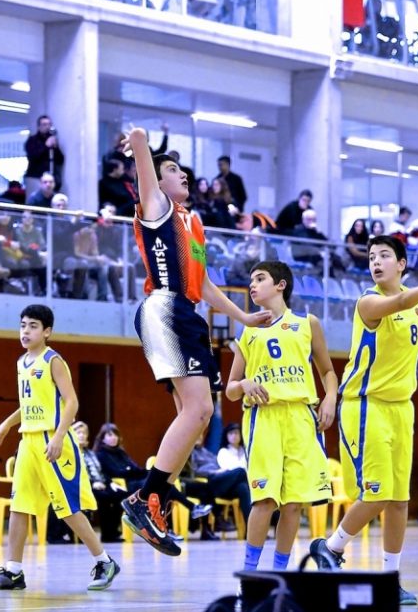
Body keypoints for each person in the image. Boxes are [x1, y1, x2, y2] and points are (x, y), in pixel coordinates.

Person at [120, 127, 271, 556]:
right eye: (172, 169)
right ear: (157, 181)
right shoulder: (156, 207)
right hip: (164, 307)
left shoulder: (193, 223)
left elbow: (202, 284)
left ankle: (155, 502)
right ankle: (145, 499)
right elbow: (144, 161)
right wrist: (140, 141)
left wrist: (243, 316)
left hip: (188, 313)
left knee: (197, 420)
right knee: (200, 409)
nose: (182, 174)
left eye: (182, 170)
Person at [310, 236, 418, 606]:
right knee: (376, 494)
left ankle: (391, 579)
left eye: (384, 256)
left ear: (401, 264)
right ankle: (331, 547)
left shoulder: (416, 299)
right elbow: (402, 302)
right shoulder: (368, 301)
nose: (375, 262)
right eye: (372, 257)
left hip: (401, 408)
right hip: (366, 406)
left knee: (399, 501)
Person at [0, 305, 120, 592]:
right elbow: (29, 404)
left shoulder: (54, 360)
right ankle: (13, 571)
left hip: (54, 441)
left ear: (47, 331)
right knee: (19, 505)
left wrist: (58, 436)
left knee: (67, 509)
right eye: (23, 325)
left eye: (33, 326)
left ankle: (105, 561)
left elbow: (72, 402)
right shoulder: (21, 362)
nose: (25, 331)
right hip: (28, 442)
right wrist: (6, 424)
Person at [227, 260, 337, 572]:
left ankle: (280, 573)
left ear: (280, 285)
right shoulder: (248, 331)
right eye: (251, 280)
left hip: (301, 417)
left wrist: (330, 398)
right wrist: (244, 384)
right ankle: (249, 574)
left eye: (260, 278)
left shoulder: (307, 323)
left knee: (293, 504)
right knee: (264, 500)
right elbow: (231, 390)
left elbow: (328, 371)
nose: (252, 285)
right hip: (264, 418)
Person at [71, 421, 127, 542]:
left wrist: (110, 483)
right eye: (78, 432)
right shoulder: (71, 453)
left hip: (100, 484)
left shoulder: (90, 453)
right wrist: (92, 484)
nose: (81, 435)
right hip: (83, 487)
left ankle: (112, 532)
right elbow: (76, 474)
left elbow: (101, 472)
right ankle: (107, 533)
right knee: (104, 498)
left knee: (122, 495)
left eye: (84, 433)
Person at [24, 116, 64, 196]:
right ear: (39, 126)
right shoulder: (32, 140)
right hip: (36, 177)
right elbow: (33, 157)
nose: (47, 127)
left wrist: (56, 148)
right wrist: (46, 146)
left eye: (49, 124)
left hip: (51, 178)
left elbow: (60, 160)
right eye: (44, 124)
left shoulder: (52, 140)